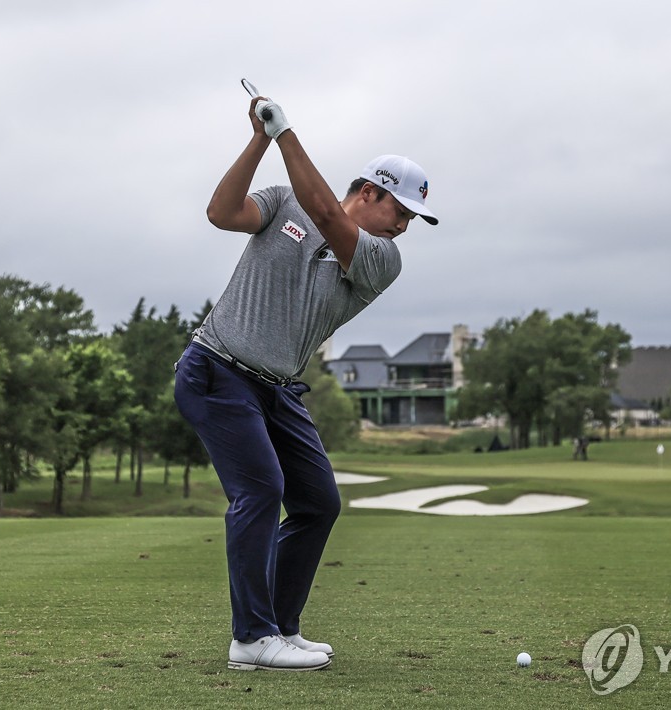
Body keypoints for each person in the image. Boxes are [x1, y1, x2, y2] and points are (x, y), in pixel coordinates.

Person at [173, 92, 437, 671]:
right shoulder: (283, 200)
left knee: (317, 502)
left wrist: (285, 133)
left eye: (412, 220)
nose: (403, 227)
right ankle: (251, 639)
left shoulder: (380, 259)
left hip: (277, 388)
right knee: (261, 490)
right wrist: (259, 140)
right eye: (400, 211)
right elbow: (222, 213)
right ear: (369, 191)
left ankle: (280, 628)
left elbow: (327, 217)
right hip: (216, 368)